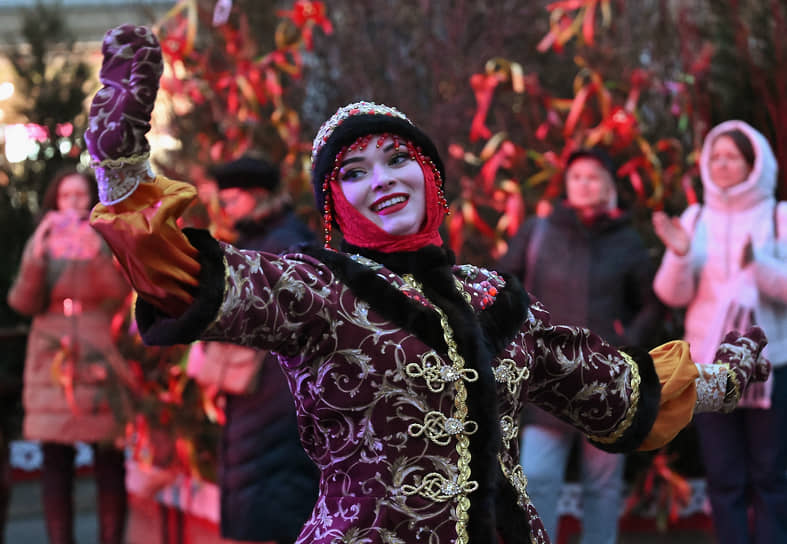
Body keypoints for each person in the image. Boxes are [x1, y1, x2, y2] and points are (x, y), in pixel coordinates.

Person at [84, 25, 770, 544]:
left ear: (430, 176)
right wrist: (120, 167)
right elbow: (193, 279)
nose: (380, 180)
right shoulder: (315, 286)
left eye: (395, 159)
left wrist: (723, 380)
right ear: (332, 204)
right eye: (352, 173)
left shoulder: (495, 297)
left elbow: (616, 391)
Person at [497, 147, 663, 544]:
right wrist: (519, 338)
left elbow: (653, 304)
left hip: (607, 379)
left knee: (603, 487)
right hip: (546, 377)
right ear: (566, 186)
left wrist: (627, 348)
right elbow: (500, 287)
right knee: (536, 477)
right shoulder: (540, 230)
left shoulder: (628, 241)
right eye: (576, 177)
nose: (584, 184)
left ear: (609, 185)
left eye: (593, 177)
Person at [652, 120, 787, 544]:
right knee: (723, 476)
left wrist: (759, 264)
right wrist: (679, 254)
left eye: (733, 157)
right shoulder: (696, 218)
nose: (723, 164)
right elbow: (672, 294)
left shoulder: (779, 216)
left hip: (770, 365)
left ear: (755, 164)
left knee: (771, 475)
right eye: (716, 157)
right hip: (710, 368)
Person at [186, 156, 319, 543]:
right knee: (269, 497)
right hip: (261, 395)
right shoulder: (262, 238)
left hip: (275, 394)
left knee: (277, 501)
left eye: (231, 200)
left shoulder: (283, 242)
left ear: (257, 196)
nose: (224, 209)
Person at [7, 168, 133, 544]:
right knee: (55, 463)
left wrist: (96, 251)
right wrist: (37, 254)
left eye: (80, 195)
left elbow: (118, 296)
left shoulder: (106, 238)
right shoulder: (41, 239)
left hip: (98, 349)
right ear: (54, 201)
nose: (73, 204)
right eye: (66, 197)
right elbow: (22, 303)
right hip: (50, 355)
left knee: (109, 458)